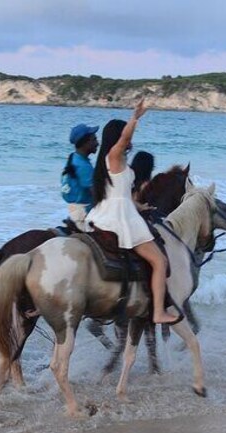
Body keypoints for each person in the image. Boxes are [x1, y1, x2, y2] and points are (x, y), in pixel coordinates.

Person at [85, 100, 183, 325]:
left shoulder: (110, 161)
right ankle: (158, 311)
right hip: (120, 219)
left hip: (115, 210)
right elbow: (125, 138)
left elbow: (120, 193)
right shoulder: (115, 155)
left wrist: (140, 207)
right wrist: (135, 118)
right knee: (159, 262)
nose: (129, 141)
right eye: (124, 137)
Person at [61, 123, 99, 230]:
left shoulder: (75, 158)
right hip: (83, 213)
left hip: (75, 210)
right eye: (94, 140)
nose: (97, 143)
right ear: (85, 143)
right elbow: (95, 194)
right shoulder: (83, 166)